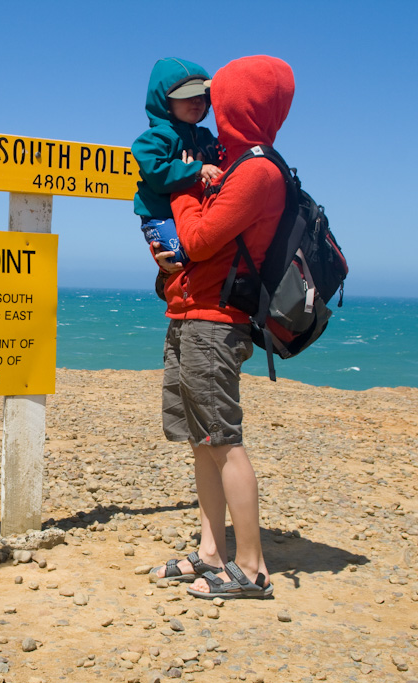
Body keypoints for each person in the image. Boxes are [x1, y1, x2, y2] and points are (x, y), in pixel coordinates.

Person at [149, 55, 295, 599]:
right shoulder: (229, 162)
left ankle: (252, 567)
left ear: (242, 102)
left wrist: (182, 193)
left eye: (222, 95)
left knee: (223, 442)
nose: (211, 103)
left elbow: (199, 240)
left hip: (216, 323)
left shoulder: (257, 171)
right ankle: (212, 553)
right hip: (189, 313)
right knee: (200, 442)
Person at [132, 57, 223, 269]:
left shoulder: (205, 137)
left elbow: (226, 161)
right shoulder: (155, 139)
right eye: (187, 96)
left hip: (194, 215)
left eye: (202, 96)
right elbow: (156, 173)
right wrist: (195, 170)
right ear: (165, 102)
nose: (197, 102)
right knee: (179, 259)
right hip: (161, 215)